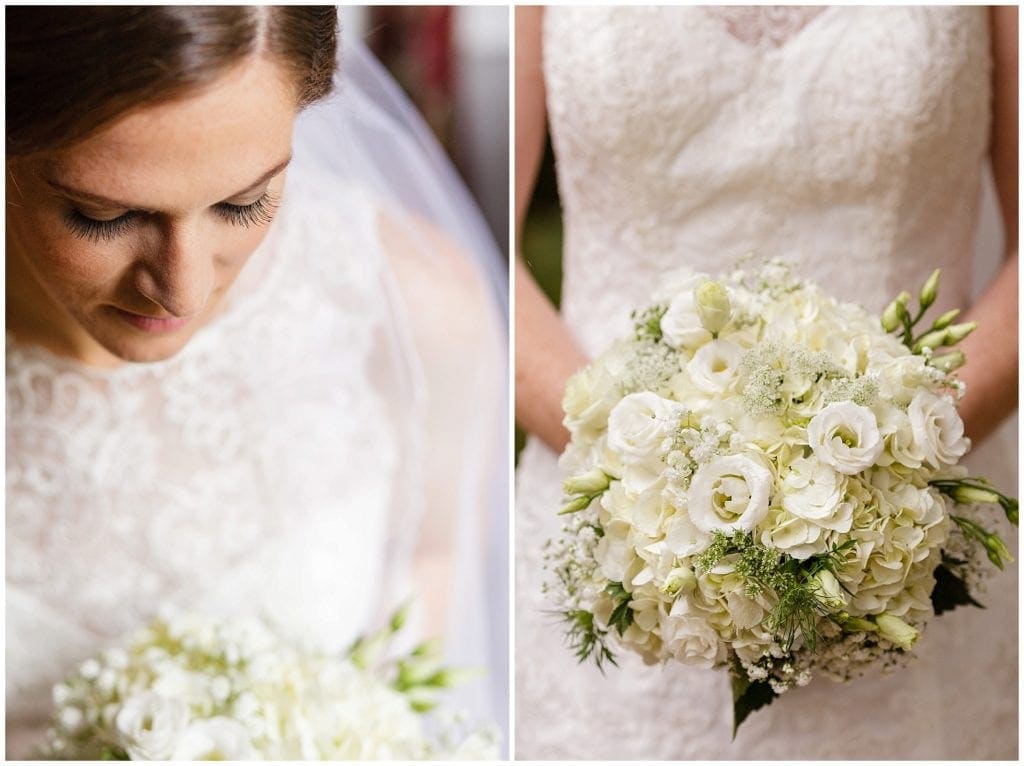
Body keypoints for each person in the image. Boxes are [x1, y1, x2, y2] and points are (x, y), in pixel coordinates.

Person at [515, 6, 1017, 759]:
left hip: (916, 543)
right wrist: (645, 480)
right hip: (617, 546)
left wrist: (889, 473)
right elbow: (481, 240)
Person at [6, 6, 507, 757]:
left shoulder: (411, 312)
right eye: (102, 217)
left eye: (244, 203)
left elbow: (432, 569)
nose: (179, 291)